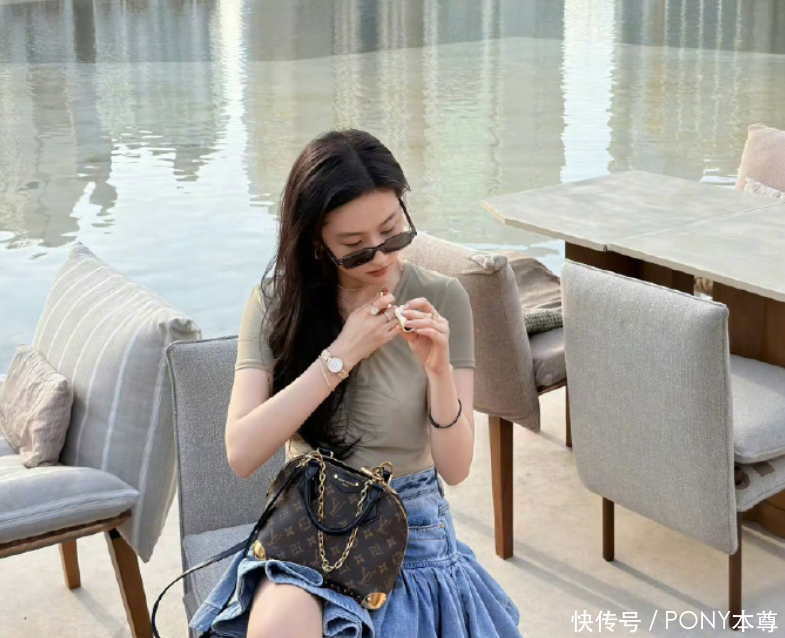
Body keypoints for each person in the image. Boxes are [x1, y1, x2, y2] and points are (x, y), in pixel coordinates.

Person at [190, 129, 522, 638]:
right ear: (316, 243)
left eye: (392, 233)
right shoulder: (278, 305)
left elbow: (455, 469)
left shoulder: (443, 299)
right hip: (310, 523)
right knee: (282, 623)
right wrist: (341, 356)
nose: (381, 258)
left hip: (412, 529)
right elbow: (242, 452)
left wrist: (438, 370)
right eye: (355, 248)